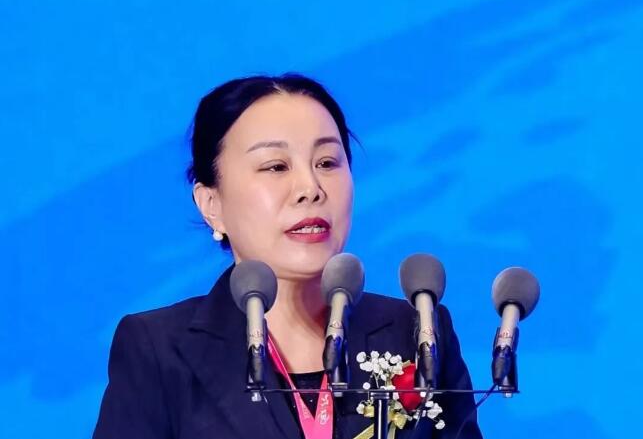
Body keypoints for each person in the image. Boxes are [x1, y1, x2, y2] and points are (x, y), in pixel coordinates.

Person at [93, 74, 483, 439]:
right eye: (276, 166)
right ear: (211, 204)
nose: (310, 188)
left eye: (327, 163)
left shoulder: (417, 333)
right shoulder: (160, 350)